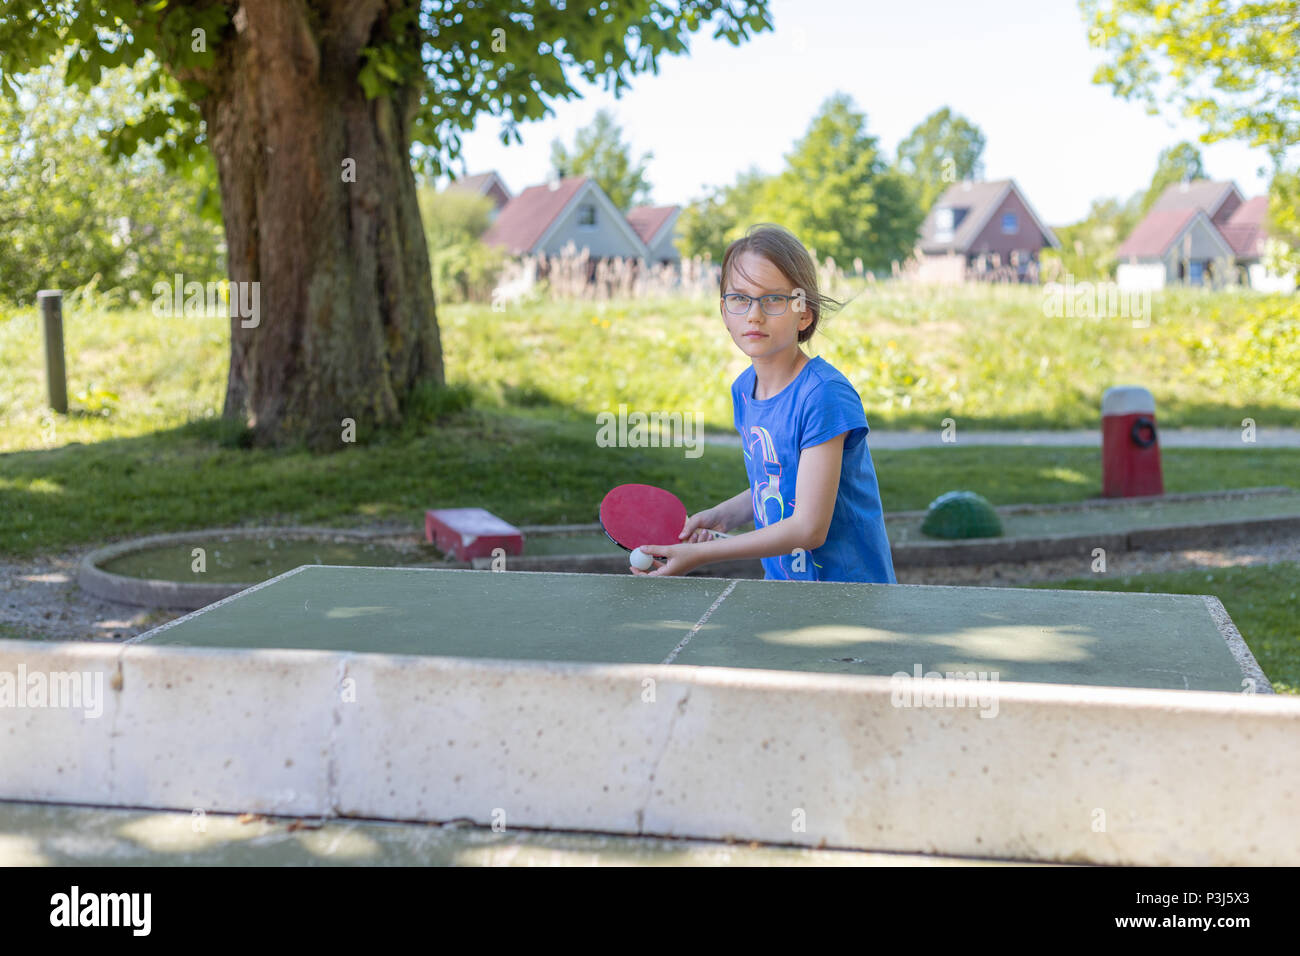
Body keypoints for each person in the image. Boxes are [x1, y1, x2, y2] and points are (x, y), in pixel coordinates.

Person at [635, 223, 896, 583]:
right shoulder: (744, 389)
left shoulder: (824, 395)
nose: (754, 314)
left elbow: (808, 528)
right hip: (784, 594)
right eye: (739, 298)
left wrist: (700, 554)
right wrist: (723, 516)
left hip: (848, 599)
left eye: (773, 299)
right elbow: (778, 480)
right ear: (724, 312)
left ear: (804, 313)